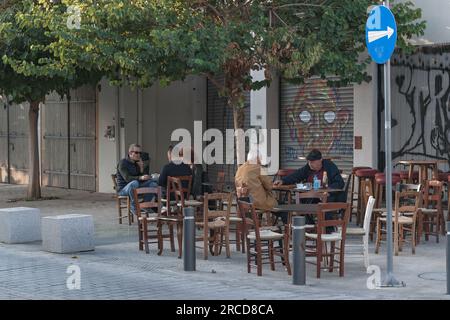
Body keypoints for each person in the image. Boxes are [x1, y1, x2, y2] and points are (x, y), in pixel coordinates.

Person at [274, 149, 345, 202]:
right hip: (312, 196)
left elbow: (339, 183)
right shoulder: (308, 167)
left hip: (328, 196)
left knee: (327, 201)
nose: (310, 164)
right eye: (309, 162)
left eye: (313, 162)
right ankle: (308, 221)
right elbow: (296, 175)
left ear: (320, 160)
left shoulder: (329, 166)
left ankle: (324, 221)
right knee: (302, 200)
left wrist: (327, 191)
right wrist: (283, 181)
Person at [116, 144, 158, 214]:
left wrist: (141, 168)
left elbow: (142, 178)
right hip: (123, 189)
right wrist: (140, 177)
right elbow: (127, 178)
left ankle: (145, 205)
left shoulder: (137, 162)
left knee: (153, 184)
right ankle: (134, 207)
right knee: (134, 183)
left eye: (140, 153)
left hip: (136, 187)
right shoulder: (122, 163)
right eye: (136, 152)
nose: (139, 155)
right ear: (130, 153)